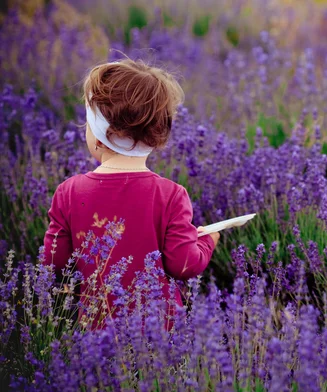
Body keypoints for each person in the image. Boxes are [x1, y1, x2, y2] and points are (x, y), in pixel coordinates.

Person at [43, 58, 219, 328]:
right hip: (159, 332)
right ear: (157, 137)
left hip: (98, 329)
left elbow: (55, 260)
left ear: (99, 137)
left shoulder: (68, 192)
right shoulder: (171, 194)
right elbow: (183, 265)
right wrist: (207, 240)